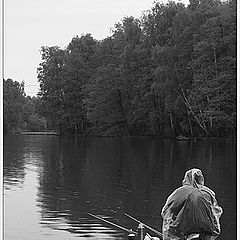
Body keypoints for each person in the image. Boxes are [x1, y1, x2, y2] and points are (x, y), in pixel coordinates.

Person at [161, 168, 223, 240]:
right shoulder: (208, 192)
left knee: (170, 220)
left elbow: (167, 210)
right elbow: (217, 211)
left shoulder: (181, 192)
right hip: (206, 230)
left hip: (183, 229)